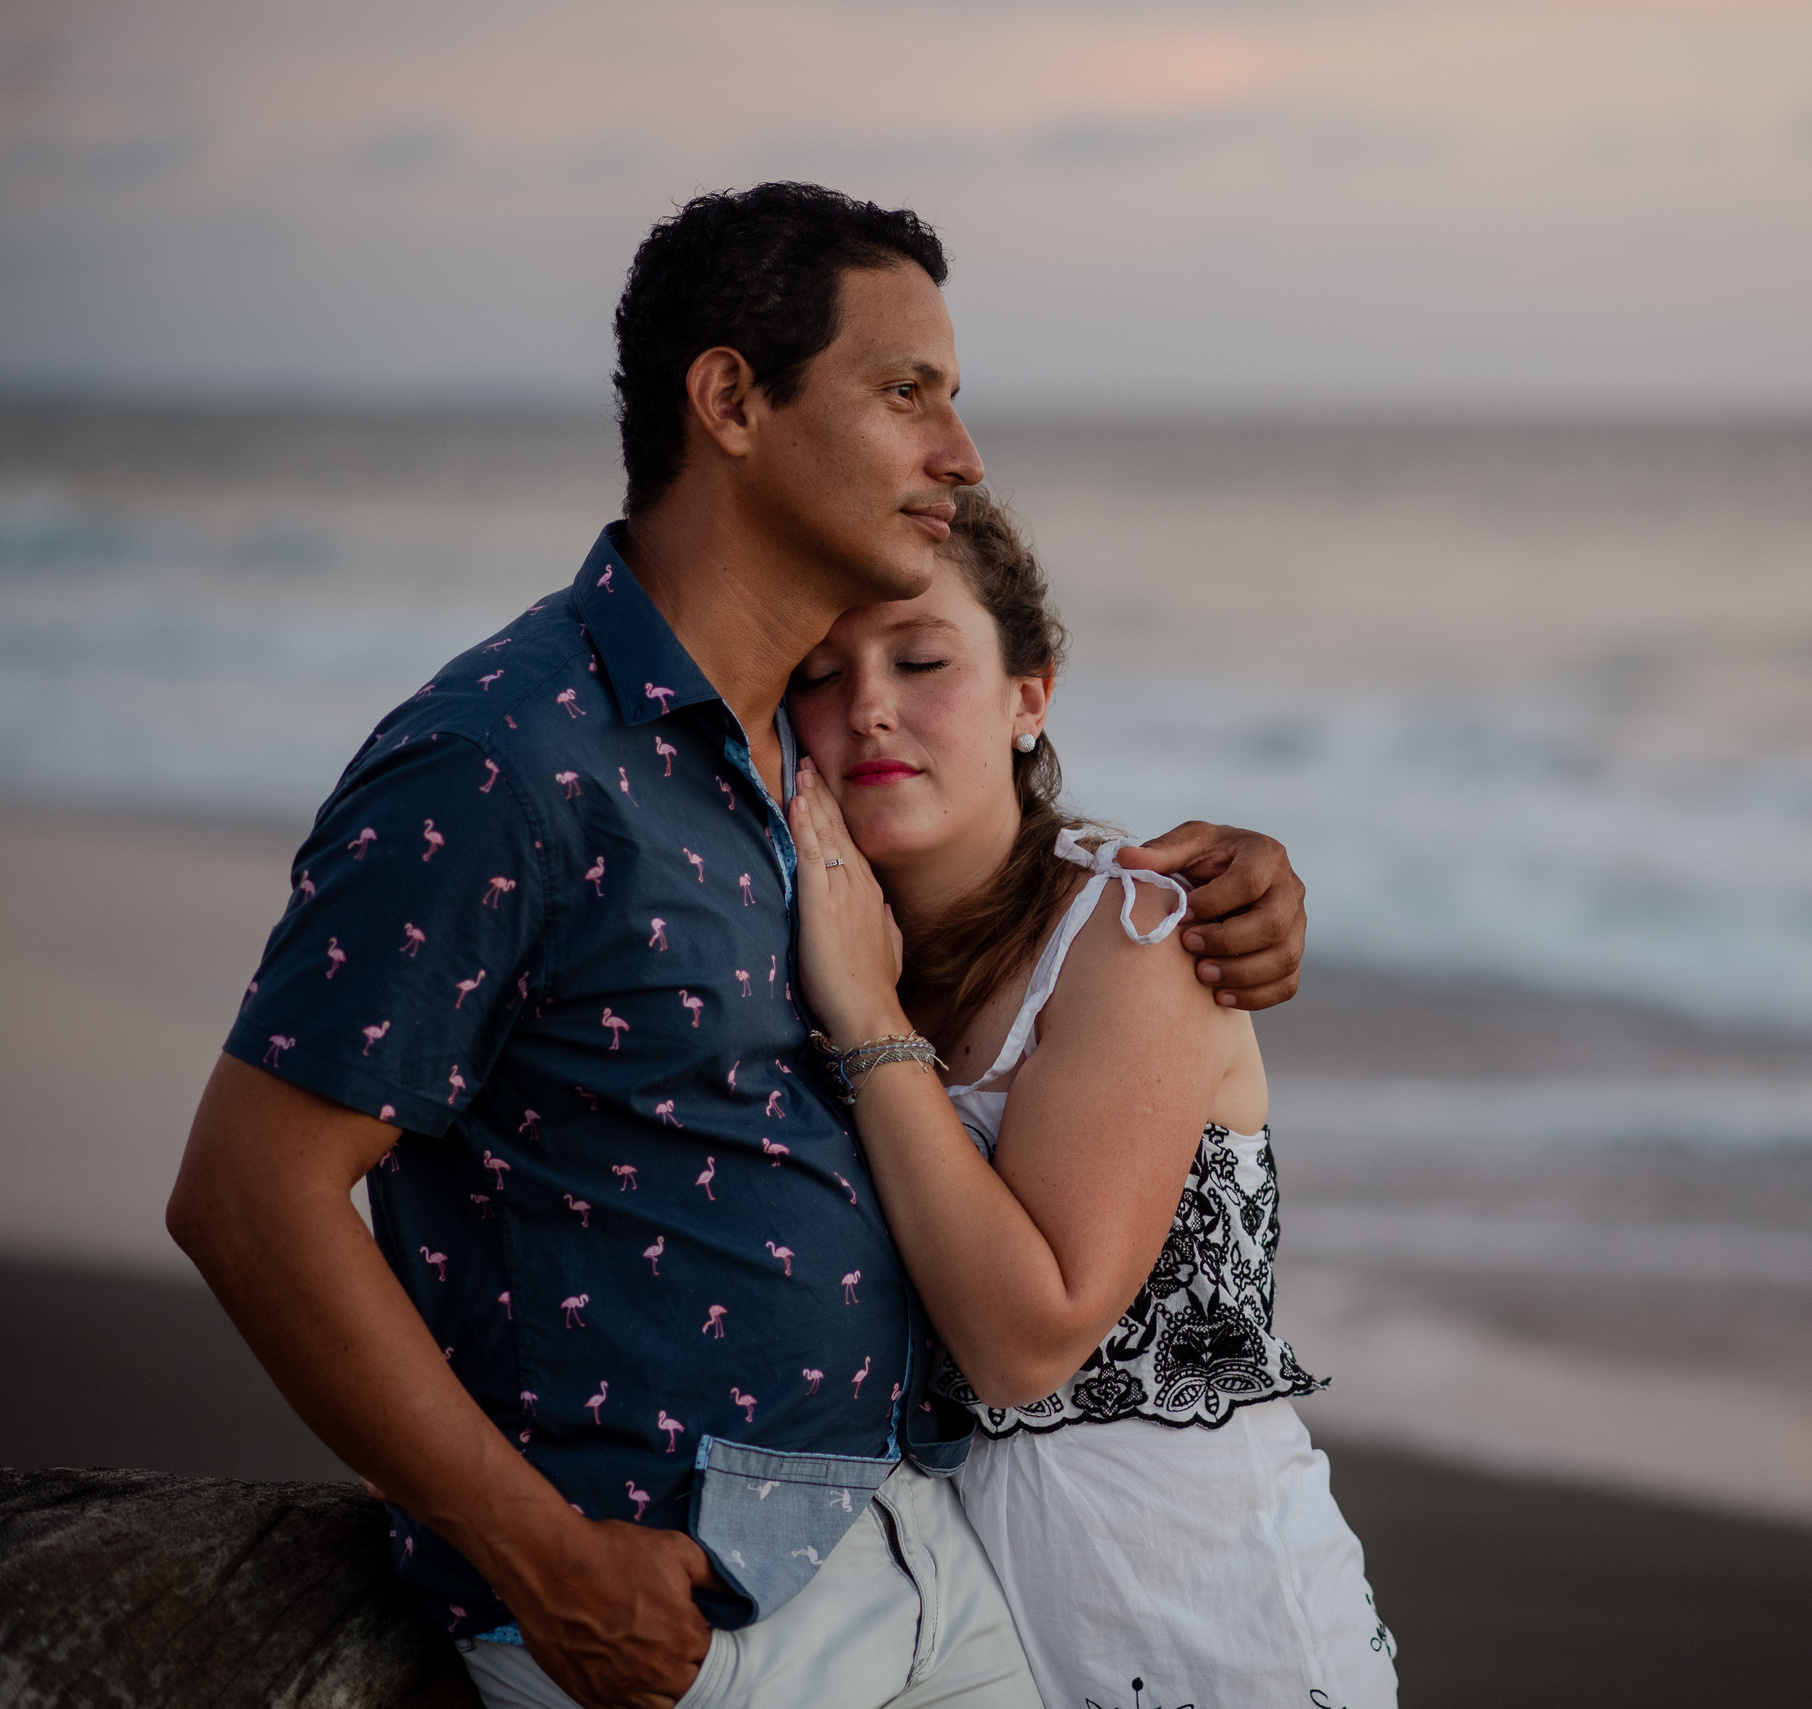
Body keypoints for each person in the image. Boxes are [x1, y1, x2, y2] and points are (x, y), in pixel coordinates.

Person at [164, 183, 1309, 1709]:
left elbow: (1027, 907)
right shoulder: (506, 760)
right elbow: (248, 1198)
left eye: (952, 402)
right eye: (906, 393)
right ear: (730, 401)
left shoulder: (797, 751)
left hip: (921, 1555)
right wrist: (543, 1559)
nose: (958, 454)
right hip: (689, 1616)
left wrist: (1237, 879)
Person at [784, 487, 1397, 1709]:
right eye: (816, 670)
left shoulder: (1133, 931)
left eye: (920, 658)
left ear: (1030, 696)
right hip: (960, 1640)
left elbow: (1025, 1337)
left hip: (1218, 1637)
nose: (869, 706)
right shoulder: (794, 937)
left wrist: (868, 1016)